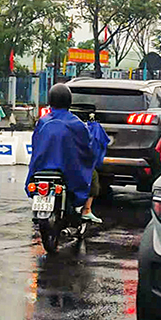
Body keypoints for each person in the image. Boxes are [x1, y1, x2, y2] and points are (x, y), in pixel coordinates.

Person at [26, 83, 97, 223]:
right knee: (93, 175)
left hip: (41, 166)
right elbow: (86, 147)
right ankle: (86, 210)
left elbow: (35, 144)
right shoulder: (76, 123)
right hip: (68, 168)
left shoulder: (42, 121)